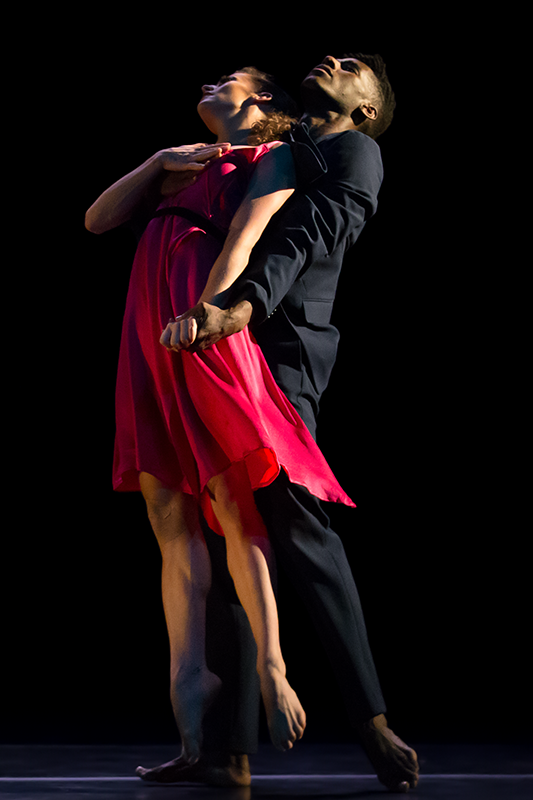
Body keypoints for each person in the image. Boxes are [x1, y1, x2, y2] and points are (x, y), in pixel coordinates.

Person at [151, 53, 420, 793]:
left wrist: (236, 306)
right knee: (234, 523)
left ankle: (368, 718)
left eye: (353, 66)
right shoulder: (283, 138)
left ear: (364, 108)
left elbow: (308, 237)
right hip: (218, 340)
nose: (332, 60)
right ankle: (227, 750)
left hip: (277, 348)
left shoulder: (354, 149)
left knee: (294, 518)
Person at [86, 67, 358, 768]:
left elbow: (242, 239)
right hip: (147, 322)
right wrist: (157, 163)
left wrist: (202, 317)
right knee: (165, 509)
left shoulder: (276, 158)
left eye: (226, 78)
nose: (207, 83)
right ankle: (189, 687)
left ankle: (271, 664)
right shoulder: (189, 165)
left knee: (231, 502)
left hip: (196, 317)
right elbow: (97, 220)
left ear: (261, 97)